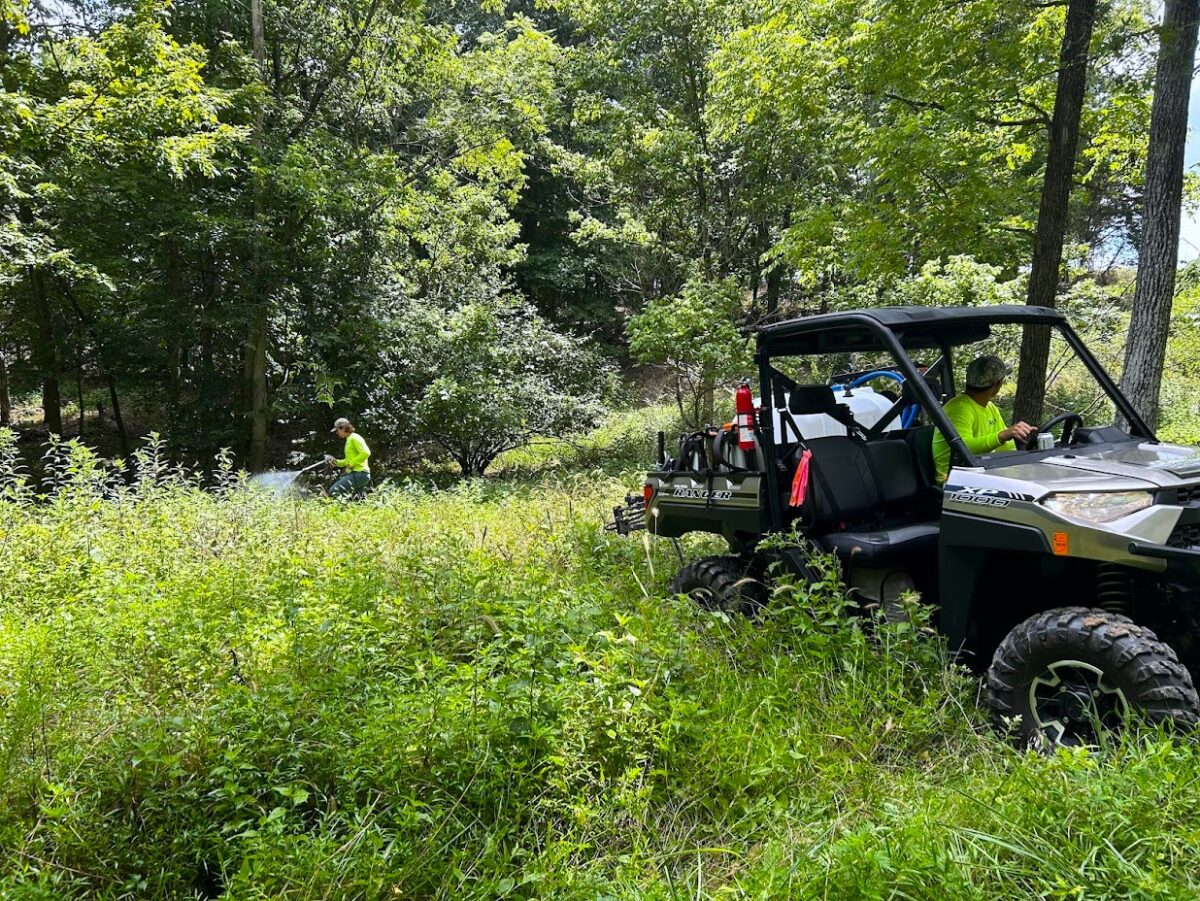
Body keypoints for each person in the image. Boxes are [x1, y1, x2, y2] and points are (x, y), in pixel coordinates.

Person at [931, 355, 1034, 484]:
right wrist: (1002, 436)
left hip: (981, 472)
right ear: (998, 383)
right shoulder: (959, 408)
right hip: (954, 479)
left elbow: (1006, 448)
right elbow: (963, 448)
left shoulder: (990, 407)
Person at [326, 417, 371, 498]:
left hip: (360, 473)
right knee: (359, 500)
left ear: (343, 428)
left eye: (337, 430)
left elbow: (366, 453)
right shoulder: (349, 439)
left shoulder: (355, 438)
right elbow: (348, 460)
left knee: (333, 492)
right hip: (360, 474)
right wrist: (336, 462)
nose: (336, 433)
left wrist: (350, 465)